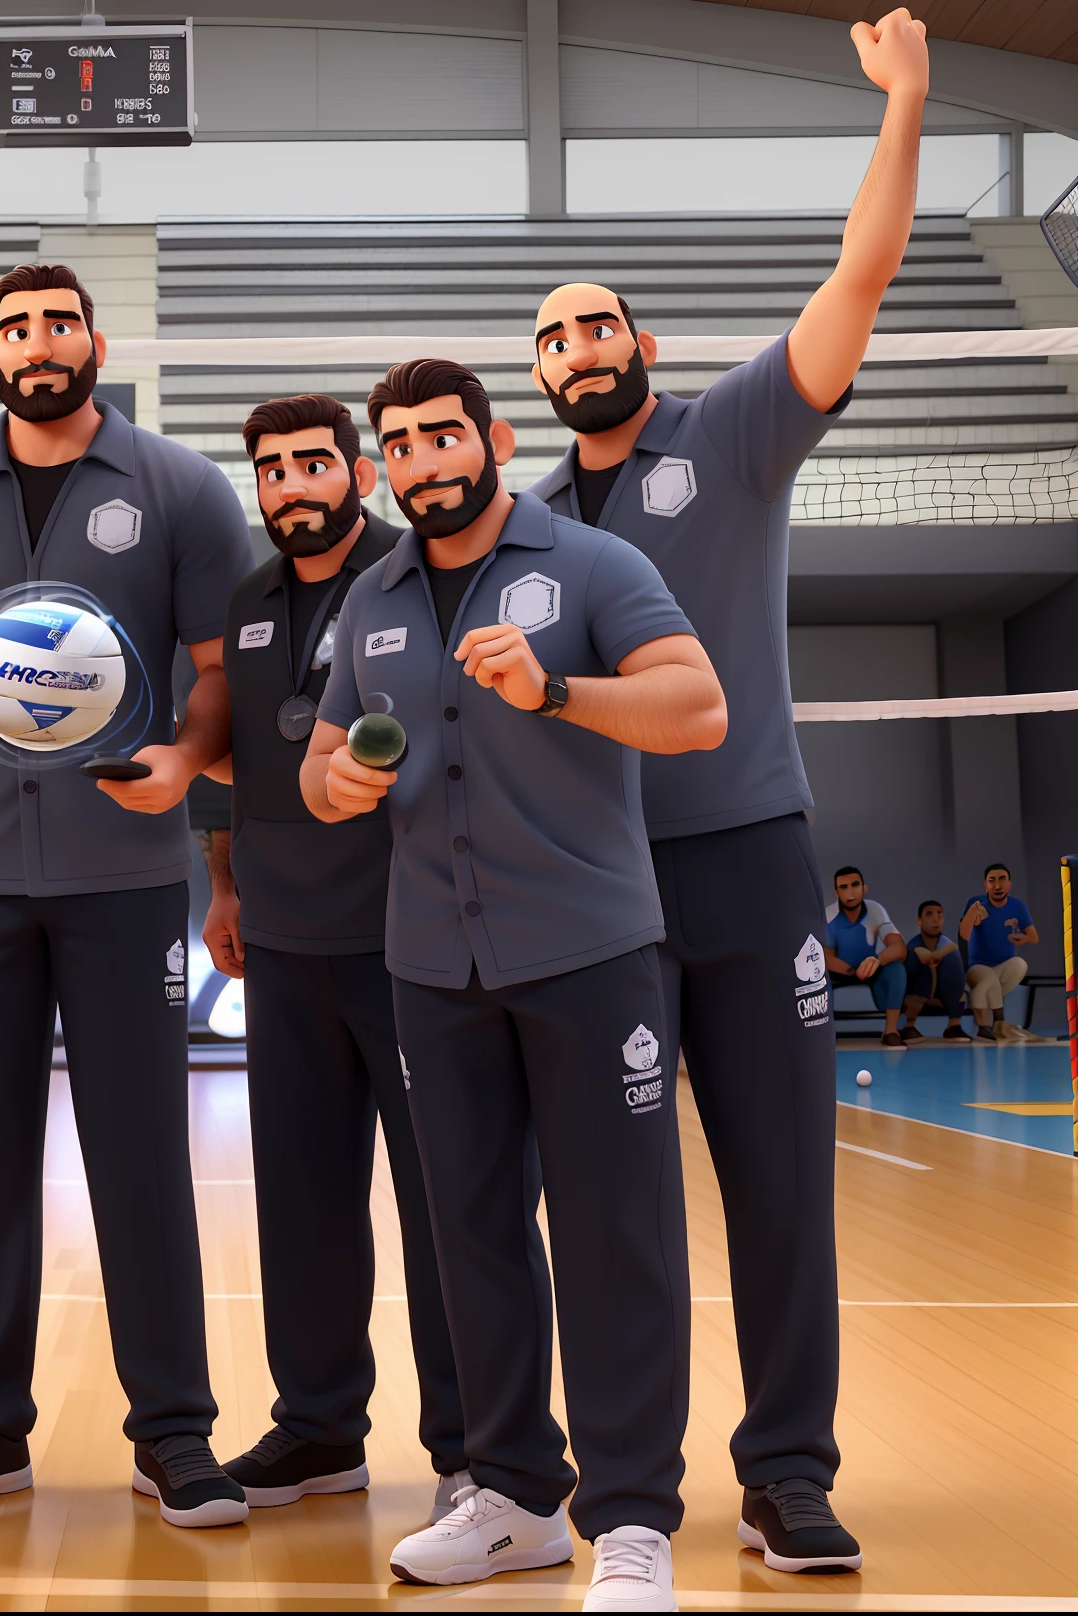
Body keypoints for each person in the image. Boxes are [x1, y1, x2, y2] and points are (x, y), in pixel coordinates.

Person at [521, 6, 928, 1572]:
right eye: (550, 336)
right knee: (614, 1214)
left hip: (750, 866)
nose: (577, 349)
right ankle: (626, 1494)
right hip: (600, 893)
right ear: (537, 376)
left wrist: (898, 108)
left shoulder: (738, 434)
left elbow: (861, 278)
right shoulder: (529, 530)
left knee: (779, 1191)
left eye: (595, 325)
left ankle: (789, 1473)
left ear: (644, 345)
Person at [307, 359, 724, 1613]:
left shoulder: (589, 565)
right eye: (398, 445)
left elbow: (695, 708)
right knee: (468, 1237)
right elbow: (326, 757)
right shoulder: (369, 601)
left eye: (443, 436)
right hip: (432, 963)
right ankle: (513, 1495)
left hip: (589, 954)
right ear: (381, 467)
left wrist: (553, 689)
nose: (423, 460)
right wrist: (339, 786)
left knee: (612, 1236)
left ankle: (634, 1516)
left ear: (490, 438)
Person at [0, 263, 256, 1528]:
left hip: (123, 875)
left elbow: (219, 675)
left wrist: (187, 767)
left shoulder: (178, 486)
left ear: (91, 339)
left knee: (140, 1152)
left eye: (58, 323)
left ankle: (173, 1428)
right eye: (16, 327)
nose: (38, 344)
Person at [202, 392, 486, 1518]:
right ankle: (317, 1427)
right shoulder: (247, 599)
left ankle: (472, 1445)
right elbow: (229, 754)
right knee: (302, 1199)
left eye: (312, 463)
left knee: (444, 1201)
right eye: (271, 469)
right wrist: (220, 883)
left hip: (409, 941)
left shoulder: (411, 576)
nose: (291, 486)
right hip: (281, 940)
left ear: (358, 470)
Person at [823, 868, 908, 1046]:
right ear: (836, 892)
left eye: (855, 885)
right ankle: (825, 1033)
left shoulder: (876, 910)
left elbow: (899, 948)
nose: (850, 892)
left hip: (872, 968)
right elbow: (826, 957)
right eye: (843, 887)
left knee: (896, 969)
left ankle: (891, 1031)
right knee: (819, 977)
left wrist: (876, 961)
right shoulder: (829, 916)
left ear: (864, 888)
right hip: (840, 971)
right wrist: (851, 970)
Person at [961, 861, 1036, 1041]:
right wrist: (973, 913)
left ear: (1009, 883)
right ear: (985, 886)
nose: (997, 885)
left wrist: (1021, 938)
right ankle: (997, 1023)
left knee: (1019, 964)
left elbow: (1033, 937)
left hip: (1003, 968)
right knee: (987, 979)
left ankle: (987, 1027)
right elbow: (964, 933)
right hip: (976, 967)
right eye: (992, 880)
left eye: (1002, 879)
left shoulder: (1018, 906)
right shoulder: (976, 903)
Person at [900, 899, 969, 1042]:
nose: (935, 920)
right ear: (919, 920)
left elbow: (952, 948)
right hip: (916, 995)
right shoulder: (914, 945)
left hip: (942, 995)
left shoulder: (946, 944)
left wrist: (946, 951)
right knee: (922, 966)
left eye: (940, 915)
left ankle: (954, 1025)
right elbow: (925, 957)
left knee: (952, 959)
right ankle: (908, 1026)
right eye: (929, 914)